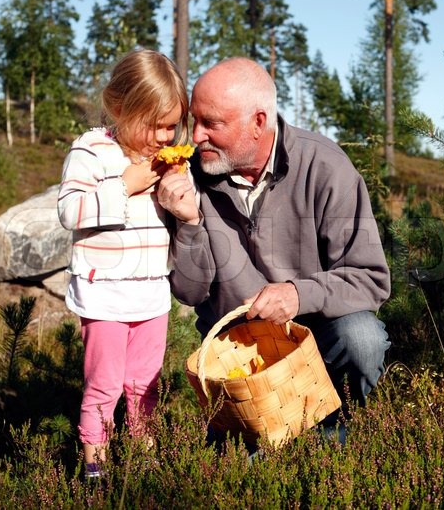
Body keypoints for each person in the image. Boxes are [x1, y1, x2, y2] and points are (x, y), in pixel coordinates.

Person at [157, 56, 391, 445]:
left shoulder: (326, 167)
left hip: (317, 335)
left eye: (211, 124)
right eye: (193, 121)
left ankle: (333, 429)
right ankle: (271, 442)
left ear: (258, 123)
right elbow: (189, 292)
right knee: (235, 477)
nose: (195, 136)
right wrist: (190, 223)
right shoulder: (190, 176)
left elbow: (370, 278)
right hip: (238, 351)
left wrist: (299, 294)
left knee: (362, 338)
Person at [57, 49, 191, 479]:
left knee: (144, 385)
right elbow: (69, 211)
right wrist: (123, 185)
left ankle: (144, 455)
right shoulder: (92, 149)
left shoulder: (166, 159)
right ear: (119, 108)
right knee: (105, 383)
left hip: (152, 293)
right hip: (106, 295)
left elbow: (175, 216)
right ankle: (94, 462)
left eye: (171, 126)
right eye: (154, 124)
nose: (164, 136)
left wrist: (182, 194)